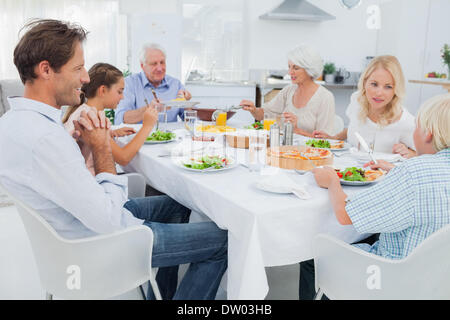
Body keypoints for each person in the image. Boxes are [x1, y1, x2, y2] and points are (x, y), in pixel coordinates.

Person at [0, 19, 227, 300]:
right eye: (78, 68)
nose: (85, 78)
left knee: (180, 202)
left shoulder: (13, 122)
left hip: (78, 223)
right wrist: (101, 148)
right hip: (105, 243)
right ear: (46, 69)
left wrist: (82, 148)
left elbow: (66, 182)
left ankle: (166, 294)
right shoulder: (46, 137)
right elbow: (110, 217)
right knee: (223, 241)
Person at [299, 93, 450, 299]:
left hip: (391, 279)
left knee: (310, 257)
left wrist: (332, 181)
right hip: (438, 284)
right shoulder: (415, 171)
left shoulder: (413, 173)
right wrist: (399, 170)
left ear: (428, 134)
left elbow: (346, 216)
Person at [62, 62, 158, 176]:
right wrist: (147, 126)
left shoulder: (85, 110)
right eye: (119, 91)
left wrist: (110, 133)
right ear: (102, 90)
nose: (122, 97)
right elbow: (123, 158)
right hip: (92, 183)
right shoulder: (91, 118)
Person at [313, 55, 416, 158]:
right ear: (365, 82)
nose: (379, 93)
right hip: (348, 169)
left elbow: (422, 155)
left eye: (388, 87)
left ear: (396, 90)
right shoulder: (357, 101)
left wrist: (409, 153)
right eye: (374, 84)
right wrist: (334, 138)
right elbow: (355, 127)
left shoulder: (406, 122)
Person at [240, 44, 335, 137]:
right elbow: (264, 114)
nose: (290, 72)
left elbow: (325, 140)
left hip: (308, 151)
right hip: (284, 148)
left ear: (309, 70)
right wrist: (253, 109)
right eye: (289, 67)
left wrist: (296, 130)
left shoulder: (325, 97)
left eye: (296, 68)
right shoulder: (289, 90)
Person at [114, 43, 192, 125]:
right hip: (140, 137)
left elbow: (190, 120)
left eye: (162, 62)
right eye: (154, 64)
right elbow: (120, 119)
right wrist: (149, 109)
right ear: (142, 65)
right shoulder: (129, 84)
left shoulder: (175, 84)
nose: (159, 68)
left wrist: (187, 104)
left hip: (170, 137)